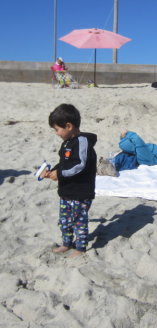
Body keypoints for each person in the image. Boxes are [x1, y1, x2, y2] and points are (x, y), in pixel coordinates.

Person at [45, 104, 97, 258]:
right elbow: (64, 163)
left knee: (79, 221)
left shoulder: (82, 142)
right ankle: (66, 243)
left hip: (80, 192)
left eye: (57, 129)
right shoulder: (67, 142)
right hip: (67, 191)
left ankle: (80, 247)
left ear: (68, 126)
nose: (56, 133)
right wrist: (53, 171)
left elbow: (79, 165)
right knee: (64, 220)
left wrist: (59, 174)